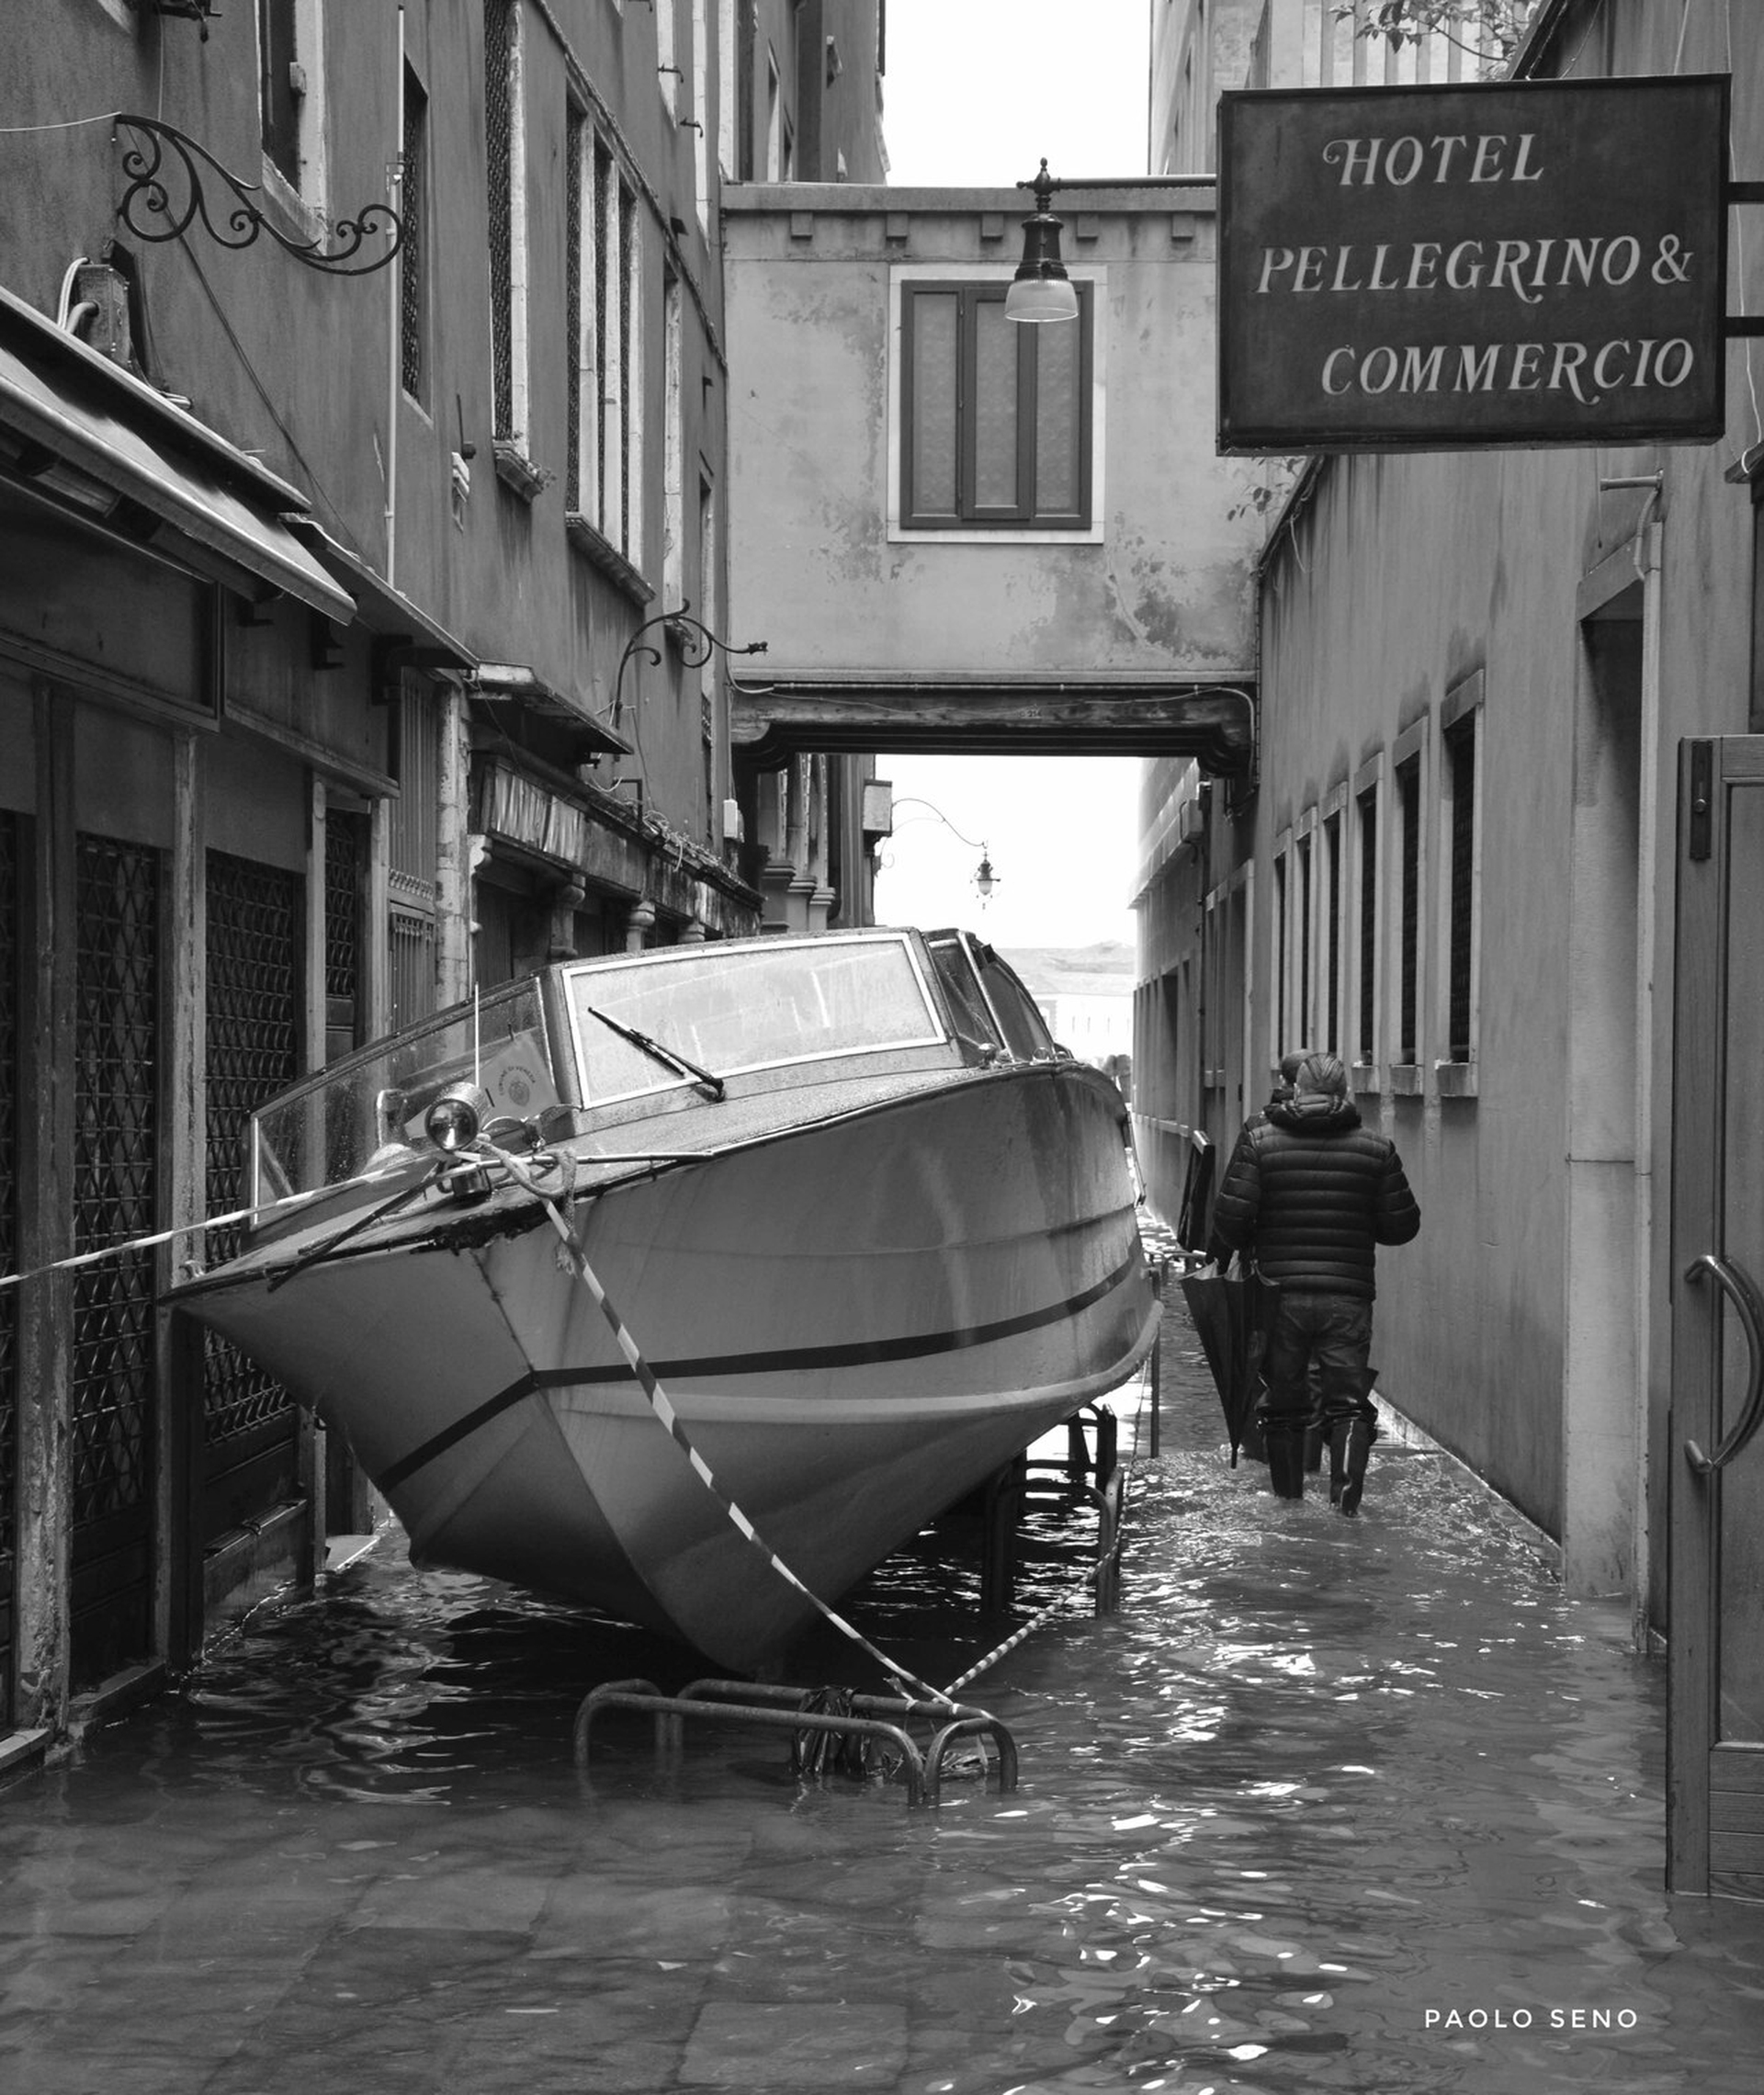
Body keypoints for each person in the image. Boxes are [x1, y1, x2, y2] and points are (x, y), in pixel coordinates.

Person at [1205, 1050, 1420, 1511]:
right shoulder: (1376, 1149)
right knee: (1348, 1404)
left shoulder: (1260, 1142)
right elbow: (1401, 1227)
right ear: (1345, 1093)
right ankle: (1346, 1509)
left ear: (1297, 1090)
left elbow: (1230, 1222)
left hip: (1279, 1297)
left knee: (1284, 1403)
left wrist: (1256, 1239)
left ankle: (1288, 1505)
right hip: (1348, 1297)